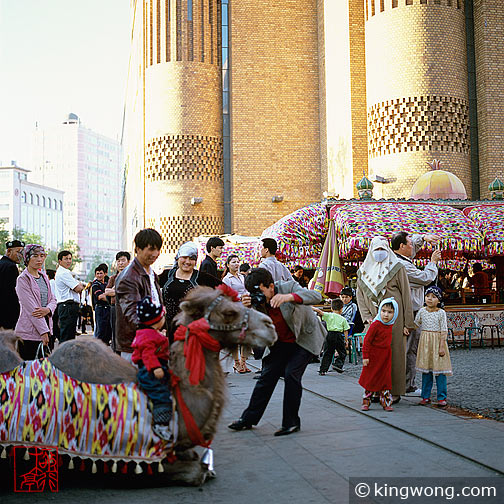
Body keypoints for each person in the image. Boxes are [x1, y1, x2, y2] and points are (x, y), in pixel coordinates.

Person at [228, 267, 326, 436]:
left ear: (271, 286)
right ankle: (248, 419)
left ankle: (291, 423)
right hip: (280, 342)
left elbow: (317, 297)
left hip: (303, 339)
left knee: (291, 374)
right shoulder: (256, 301)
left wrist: (289, 297)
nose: (258, 296)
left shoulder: (288, 287)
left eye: (260, 291)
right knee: (266, 376)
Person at [356, 236, 414, 403]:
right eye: (376, 250)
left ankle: (394, 391)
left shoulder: (397, 268)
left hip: (396, 321)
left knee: (395, 354)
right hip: (374, 321)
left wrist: (407, 323)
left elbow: (406, 295)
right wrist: (366, 317)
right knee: (374, 356)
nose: (380, 253)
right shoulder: (363, 271)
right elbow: (360, 297)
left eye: (383, 250)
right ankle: (374, 389)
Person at [391, 231, 440, 395]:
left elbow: (413, 247)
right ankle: (405, 385)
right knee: (408, 349)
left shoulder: (399, 259)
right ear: (401, 246)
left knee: (408, 349)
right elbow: (425, 278)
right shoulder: (402, 265)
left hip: (405, 311)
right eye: (410, 243)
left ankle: (403, 383)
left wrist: (424, 238)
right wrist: (432, 262)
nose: (413, 246)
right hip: (409, 312)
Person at [115, 229, 163, 362]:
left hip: (151, 341)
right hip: (135, 346)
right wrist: (155, 328)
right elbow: (132, 314)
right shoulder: (129, 277)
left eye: (158, 249)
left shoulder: (151, 273)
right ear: (138, 249)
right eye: (151, 249)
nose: (156, 254)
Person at [131, 296, 173, 440]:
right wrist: (156, 368)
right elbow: (148, 354)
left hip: (155, 366)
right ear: (155, 321)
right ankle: (161, 424)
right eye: (162, 317)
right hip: (149, 371)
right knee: (160, 394)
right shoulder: (148, 336)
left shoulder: (149, 333)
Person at [15, 244, 57, 360]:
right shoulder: (23, 279)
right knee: (29, 373)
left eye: (42, 256)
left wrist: (48, 309)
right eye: (35, 256)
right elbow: (32, 310)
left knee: (43, 372)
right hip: (29, 333)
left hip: (47, 329)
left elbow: (53, 300)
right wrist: (43, 332)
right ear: (27, 258)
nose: (39, 259)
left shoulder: (44, 276)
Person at [415, 286, 452, 407]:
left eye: (434, 297)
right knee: (427, 371)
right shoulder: (422, 311)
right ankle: (425, 396)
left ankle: (442, 397)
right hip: (425, 343)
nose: (430, 299)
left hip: (437, 343)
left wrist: (441, 347)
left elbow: (444, 330)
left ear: (439, 300)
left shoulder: (441, 313)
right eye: (427, 296)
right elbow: (415, 324)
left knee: (440, 371)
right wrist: (406, 328)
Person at [359, 298, 398, 412]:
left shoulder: (391, 325)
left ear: (395, 314)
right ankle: (366, 401)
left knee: (385, 380)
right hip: (373, 356)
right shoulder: (376, 324)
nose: (386, 315)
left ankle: (386, 402)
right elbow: (367, 341)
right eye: (383, 311)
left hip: (385, 356)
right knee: (371, 379)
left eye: (390, 312)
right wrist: (365, 356)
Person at [222, 254, 250, 372]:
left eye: (238, 261)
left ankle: (243, 362)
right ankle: (237, 362)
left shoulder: (242, 277)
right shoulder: (226, 279)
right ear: (228, 265)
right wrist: (240, 297)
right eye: (233, 262)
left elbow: (246, 289)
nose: (236, 264)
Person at [54, 250, 85, 343]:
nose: (68, 261)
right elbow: (79, 288)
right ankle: (63, 356)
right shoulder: (64, 273)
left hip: (68, 306)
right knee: (67, 337)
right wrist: (78, 284)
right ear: (60, 261)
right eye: (66, 259)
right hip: (67, 306)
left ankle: (66, 356)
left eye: (70, 259)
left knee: (69, 335)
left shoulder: (66, 272)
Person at [313, 298, 350, 375]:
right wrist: (346, 340)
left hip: (329, 335)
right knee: (342, 352)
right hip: (339, 336)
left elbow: (319, 311)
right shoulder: (343, 319)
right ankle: (338, 365)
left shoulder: (328, 315)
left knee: (327, 353)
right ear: (341, 309)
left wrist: (310, 307)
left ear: (331, 308)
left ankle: (323, 370)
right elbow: (346, 331)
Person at [105, 251, 131, 351]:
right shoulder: (113, 278)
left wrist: (114, 290)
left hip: (127, 308)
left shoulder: (131, 277)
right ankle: (116, 354)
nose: (120, 263)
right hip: (114, 308)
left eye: (123, 260)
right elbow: (107, 292)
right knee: (115, 333)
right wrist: (119, 290)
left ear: (128, 262)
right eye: (118, 261)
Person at [0, 239, 24, 330]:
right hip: (7, 312)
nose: (21, 256)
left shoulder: (2, 264)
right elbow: (13, 292)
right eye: (18, 252)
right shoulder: (11, 267)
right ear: (9, 251)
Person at [91, 264, 112, 345]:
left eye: (101, 273)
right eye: (97, 273)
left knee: (108, 331)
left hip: (108, 308)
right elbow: (100, 296)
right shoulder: (95, 285)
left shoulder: (107, 283)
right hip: (100, 309)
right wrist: (111, 296)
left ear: (105, 274)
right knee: (101, 331)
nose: (99, 275)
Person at [46, 268, 59, 349]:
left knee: (52, 326)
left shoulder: (50, 283)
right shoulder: (53, 282)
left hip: (53, 307)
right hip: (55, 306)